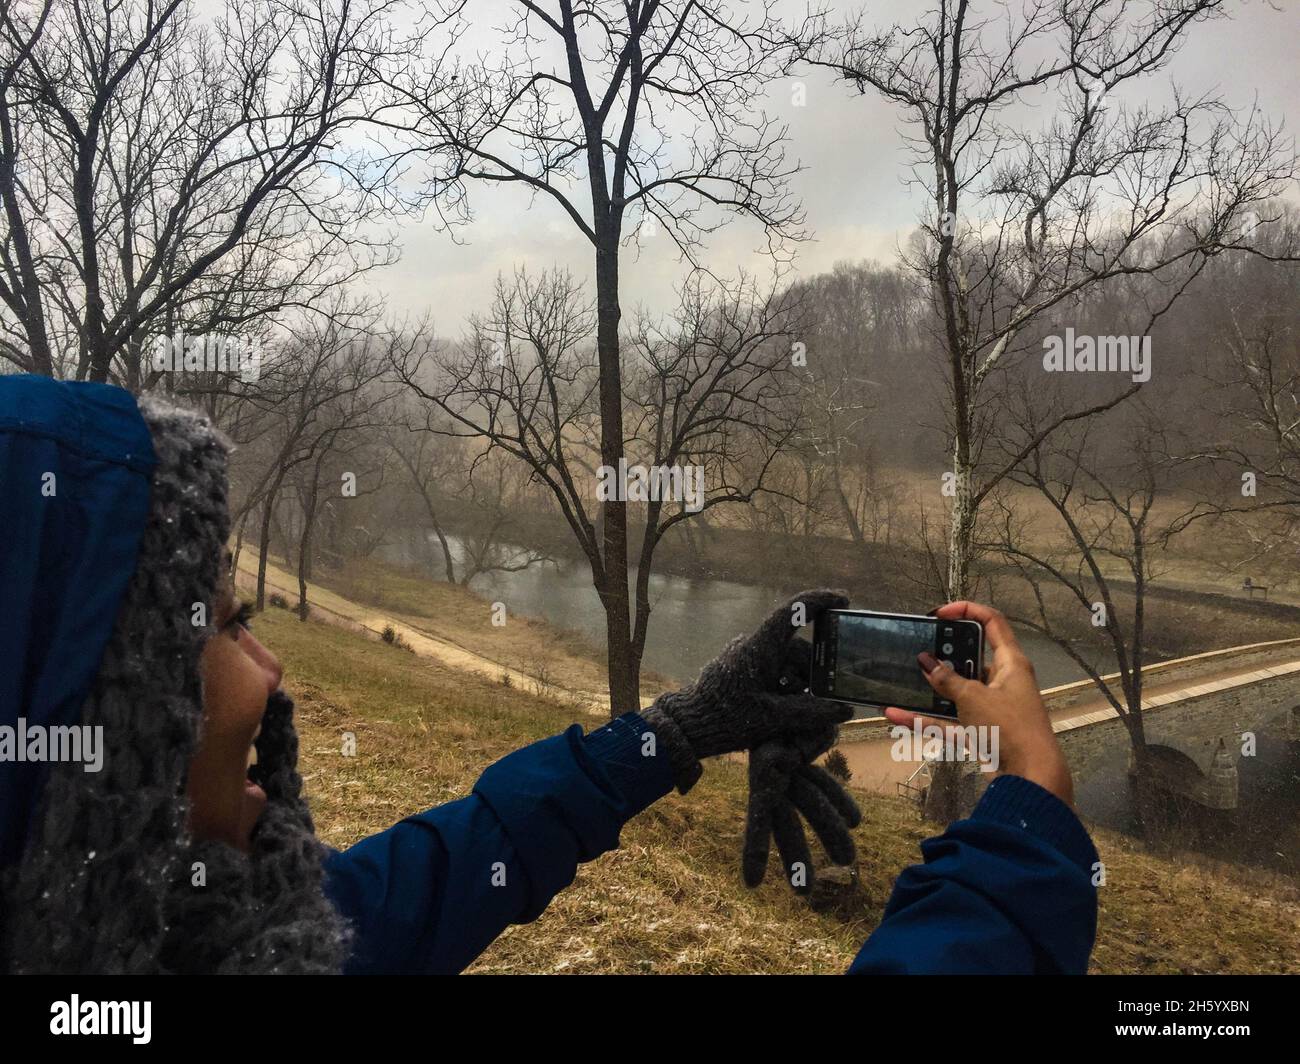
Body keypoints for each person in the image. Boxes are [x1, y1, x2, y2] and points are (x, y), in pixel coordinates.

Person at [0, 376, 1097, 974]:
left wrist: (677, 729)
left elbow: (436, 873)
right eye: (231, 625)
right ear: (101, 731)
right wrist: (1027, 812)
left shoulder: (209, 934)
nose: (271, 664)